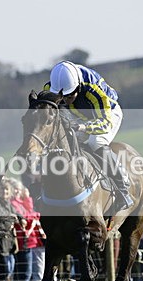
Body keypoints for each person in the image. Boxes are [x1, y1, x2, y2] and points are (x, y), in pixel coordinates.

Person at [44, 61, 133, 214]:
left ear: (78, 87)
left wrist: (84, 127)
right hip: (79, 116)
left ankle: (123, 189)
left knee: (95, 142)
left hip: (107, 114)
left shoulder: (93, 90)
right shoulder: (50, 88)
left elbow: (105, 123)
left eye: (69, 96)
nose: (65, 101)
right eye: (62, 97)